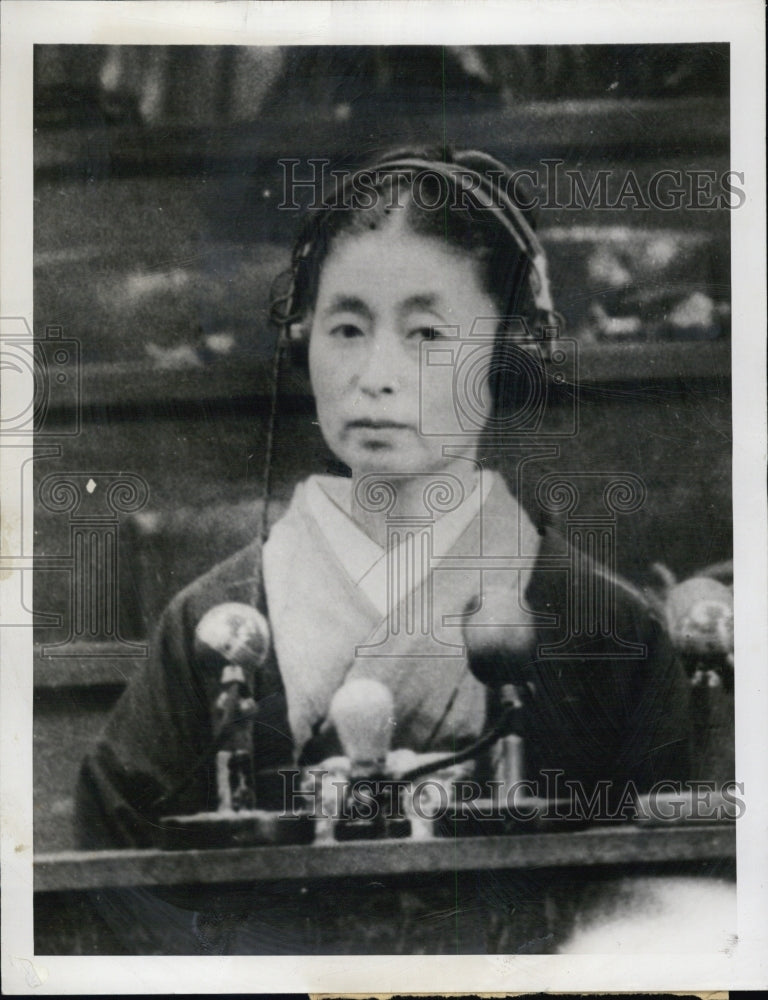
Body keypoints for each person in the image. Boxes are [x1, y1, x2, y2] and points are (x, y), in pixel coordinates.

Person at [74, 147, 692, 952]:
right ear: (305, 341)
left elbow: (671, 911)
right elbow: (111, 886)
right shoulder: (216, 624)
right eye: (347, 328)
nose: (376, 375)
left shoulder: (610, 629)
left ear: (505, 350)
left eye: (428, 332)